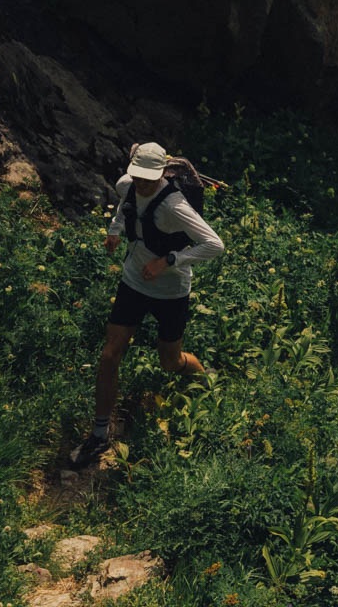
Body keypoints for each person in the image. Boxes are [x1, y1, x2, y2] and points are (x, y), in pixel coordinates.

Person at [70, 141, 225, 469]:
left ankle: (205, 381)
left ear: (160, 174)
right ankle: (100, 433)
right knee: (110, 353)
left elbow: (214, 244)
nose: (141, 183)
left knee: (170, 361)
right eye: (137, 176)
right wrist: (114, 231)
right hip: (134, 281)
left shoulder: (175, 205)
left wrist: (169, 261)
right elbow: (124, 207)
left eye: (148, 179)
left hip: (171, 290)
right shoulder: (128, 186)